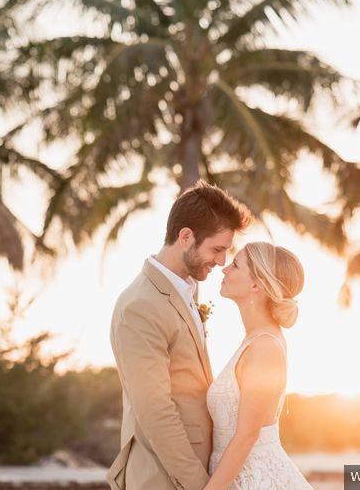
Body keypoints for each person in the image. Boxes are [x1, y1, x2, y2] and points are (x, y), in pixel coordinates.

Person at [107, 181, 252, 490]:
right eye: (217, 249)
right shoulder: (140, 306)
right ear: (186, 237)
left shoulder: (181, 292)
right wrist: (200, 486)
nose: (222, 261)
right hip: (161, 478)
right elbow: (155, 411)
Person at [205, 242, 313, 490]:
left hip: (256, 480)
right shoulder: (255, 340)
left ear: (257, 284)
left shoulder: (265, 348)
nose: (224, 270)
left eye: (235, 265)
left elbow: (247, 435)